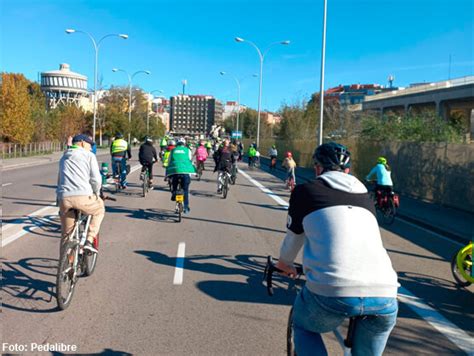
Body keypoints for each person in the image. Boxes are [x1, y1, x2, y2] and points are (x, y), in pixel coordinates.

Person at [276, 142, 399, 356]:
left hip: (333, 290)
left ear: (317, 168)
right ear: (349, 170)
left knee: (304, 326)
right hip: (385, 293)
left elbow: (294, 238)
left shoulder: (306, 191)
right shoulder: (367, 198)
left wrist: (284, 263)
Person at [57, 134, 105, 255]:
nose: (90, 148)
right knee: (99, 208)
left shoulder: (63, 157)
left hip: (64, 198)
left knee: (66, 235)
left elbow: (59, 179)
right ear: (83, 143)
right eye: (90, 145)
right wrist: (97, 193)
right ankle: (89, 241)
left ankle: (67, 267)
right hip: (83, 197)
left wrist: (58, 198)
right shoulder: (89, 155)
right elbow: (96, 179)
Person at [166, 137, 195, 214]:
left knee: (173, 184)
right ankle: (185, 207)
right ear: (184, 144)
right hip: (185, 172)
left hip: (175, 171)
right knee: (185, 190)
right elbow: (190, 160)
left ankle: (174, 193)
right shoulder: (187, 150)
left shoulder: (172, 151)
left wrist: (168, 170)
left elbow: (169, 162)